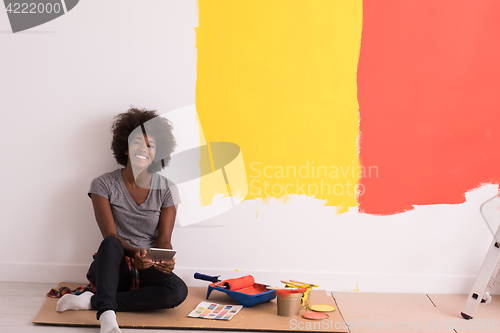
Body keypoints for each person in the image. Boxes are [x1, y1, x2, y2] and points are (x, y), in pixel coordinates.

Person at [56, 108, 188, 333]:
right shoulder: (103, 185)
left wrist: (164, 260)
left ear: (157, 153)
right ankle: (107, 318)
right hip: (113, 266)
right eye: (137, 142)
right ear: (126, 147)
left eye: (150, 145)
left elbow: (164, 239)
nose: (143, 149)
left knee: (177, 291)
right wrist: (136, 253)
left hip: (147, 264)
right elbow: (110, 235)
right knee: (111, 242)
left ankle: (95, 302)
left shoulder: (168, 189)